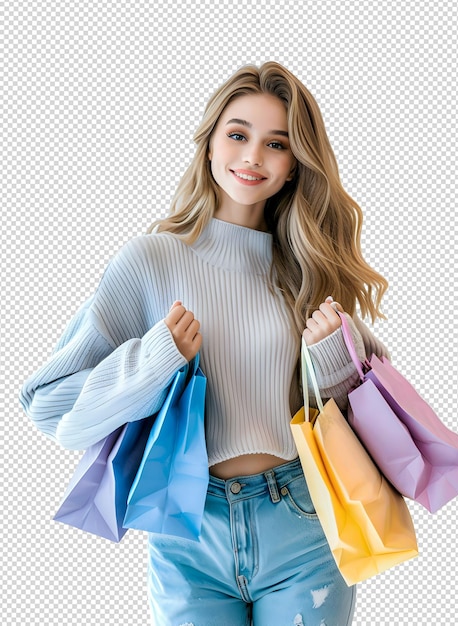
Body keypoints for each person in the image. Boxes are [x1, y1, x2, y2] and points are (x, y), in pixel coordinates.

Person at [20, 61, 389, 626]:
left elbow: (368, 415)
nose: (252, 158)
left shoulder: (309, 269)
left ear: (294, 166)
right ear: (210, 144)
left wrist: (333, 361)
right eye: (238, 135)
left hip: (300, 519)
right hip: (188, 528)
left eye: (276, 144)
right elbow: (48, 406)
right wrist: (154, 358)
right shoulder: (150, 259)